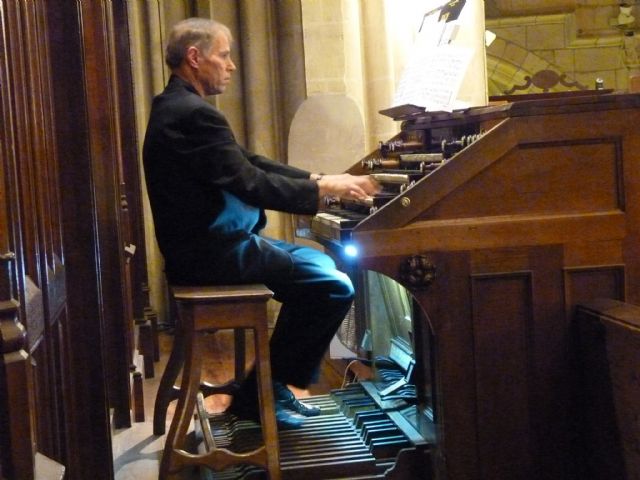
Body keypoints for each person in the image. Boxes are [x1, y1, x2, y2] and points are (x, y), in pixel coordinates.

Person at [142, 17, 380, 429]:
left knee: (325, 270)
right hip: (212, 255)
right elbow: (251, 183)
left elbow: (249, 162)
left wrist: (319, 180)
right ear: (195, 58)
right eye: (224, 54)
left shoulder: (180, 107)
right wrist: (325, 192)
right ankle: (262, 395)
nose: (231, 65)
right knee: (333, 286)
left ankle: (266, 389)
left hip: (214, 246)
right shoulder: (191, 113)